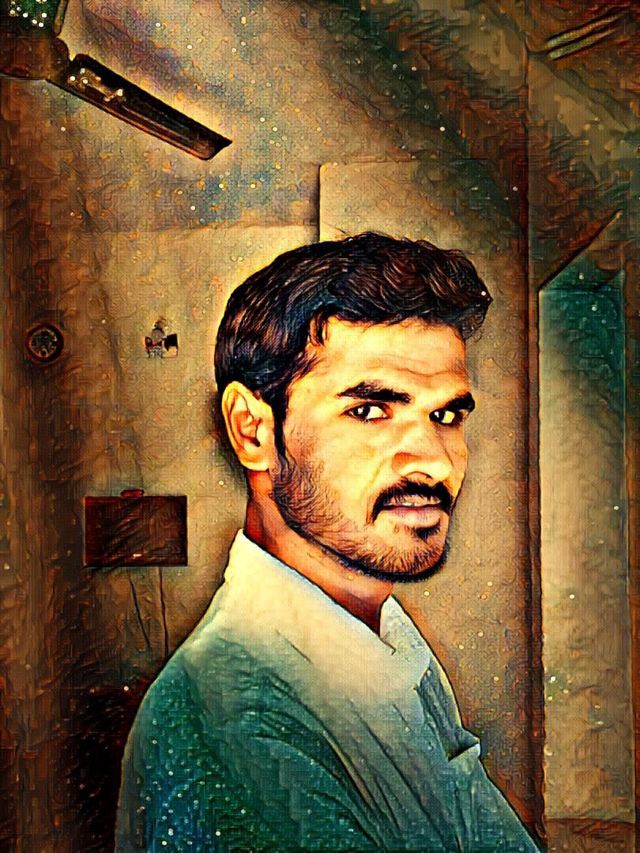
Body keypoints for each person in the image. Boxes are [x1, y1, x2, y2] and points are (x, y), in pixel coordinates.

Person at [116, 233, 541, 851]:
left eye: (446, 416)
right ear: (252, 430)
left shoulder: (385, 639)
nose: (434, 461)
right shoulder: (234, 733)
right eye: (370, 411)